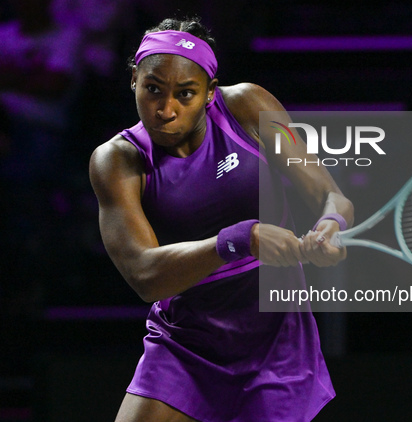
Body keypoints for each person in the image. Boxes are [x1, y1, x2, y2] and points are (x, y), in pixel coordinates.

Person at [89, 17, 354, 422]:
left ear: (211, 93)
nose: (165, 109)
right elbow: (145, 276)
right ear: (133, 81)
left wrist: (330, 224)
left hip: (275, 342)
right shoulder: (118, 160)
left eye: (186, 94)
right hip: (185, 344)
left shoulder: (248, 105)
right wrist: (239, 240)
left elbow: (329, 195)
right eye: (153, 89)